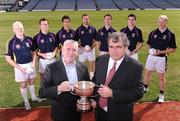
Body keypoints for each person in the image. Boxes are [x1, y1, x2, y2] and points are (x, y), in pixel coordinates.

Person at [92, 32, 144, 121]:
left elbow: (138, 93)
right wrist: (92, 97)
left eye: (118, 47)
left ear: (126, 47)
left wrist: (112, 93)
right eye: (111, 47)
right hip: (99, 111)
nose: (114, 51)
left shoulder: (135, 67)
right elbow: (95, 80)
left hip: (120, 114)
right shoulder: (100, 60)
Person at [39, 40, 90, 121]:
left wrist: (90, 100)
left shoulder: (83, 67)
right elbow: (42, 92)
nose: (71, 52)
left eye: (74, 50)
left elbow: (87, 87)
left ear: (77, 52)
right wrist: (58, 88)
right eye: (68, 49)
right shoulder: (51, 68)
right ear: (62, 50)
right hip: (60, 114)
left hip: (77, 112)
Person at [5, 21, 42, 111]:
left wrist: (33, 63)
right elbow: (8, 58)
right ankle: (26, 101)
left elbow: (34, 52)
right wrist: (20, 68)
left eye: (21, 28)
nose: (20, 29)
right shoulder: (10, 42)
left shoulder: (29, 39)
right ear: (14, 30)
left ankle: (33, 97)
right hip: (19, 66)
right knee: (23, 84)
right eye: (17, 28)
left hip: (30, 64)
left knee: (32, 80)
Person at [143, 15, 177, 103]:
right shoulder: (153, 32)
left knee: (161, 77)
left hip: (161, 58)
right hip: (151, 57)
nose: (161, 23)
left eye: (162, 21)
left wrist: (161, 52)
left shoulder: (170, 34)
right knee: (147, 73)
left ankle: (161, 94)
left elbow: (173, 49)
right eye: (159, 21)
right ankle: (145, 87)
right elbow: (149, 43)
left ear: (166, 22)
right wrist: (150, 50)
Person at [75, 14, 97, 79]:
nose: (86, 20)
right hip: (82, 49)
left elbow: (96, 40)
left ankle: (92, 76)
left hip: (91, 49)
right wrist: (82, 48)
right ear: (82, 19)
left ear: (89, 19)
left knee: (92, 63)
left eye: (87, 19)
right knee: (81, 64)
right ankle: (82, 77)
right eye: (84, 19)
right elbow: (76, 41)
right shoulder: (79, 29)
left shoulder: (93, 29)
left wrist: (92, 47)